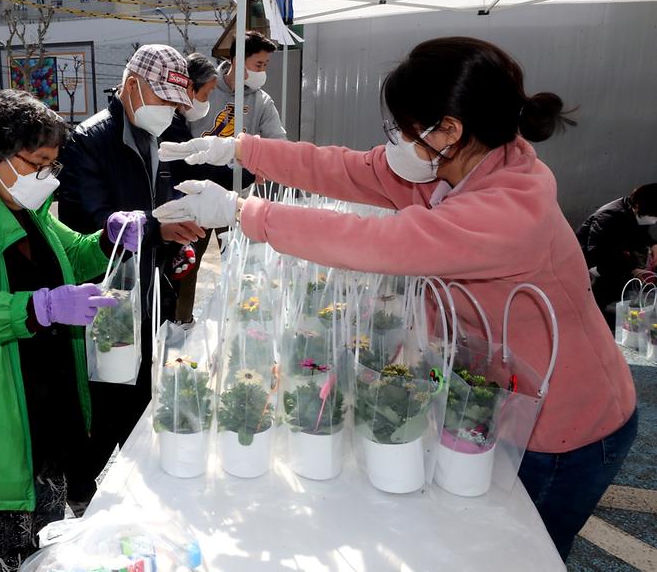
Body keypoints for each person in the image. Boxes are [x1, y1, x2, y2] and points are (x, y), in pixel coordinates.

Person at [156, 36, 638, 561]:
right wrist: (239, 149)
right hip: (499, 401)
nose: (396, 143)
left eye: (405, 128)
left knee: (519, 554)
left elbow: (379, 243)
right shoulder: (452, 165)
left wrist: (246, 214)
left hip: (563, 425)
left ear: (448, 129)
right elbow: (341, 169)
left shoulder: (512, 205)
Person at [0, 89, 139, 571]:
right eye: (37, 162)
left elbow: (73, 253)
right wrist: (39, 308)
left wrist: (106, 240)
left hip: (42, 411)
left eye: (52, 165)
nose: (46, 176)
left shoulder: (25, 209)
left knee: (43, 545)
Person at [57, 44, 205, 507]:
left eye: (174, 102)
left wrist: (176, 237)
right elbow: (92, 221)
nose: (169, 111)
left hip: (149, 284)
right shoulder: (89, 140)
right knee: (106, 398)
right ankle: (85, 493)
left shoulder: (164, 132)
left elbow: (168, 197)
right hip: (105, 293)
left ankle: (136, 485)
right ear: (131, 86)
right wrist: (155, 226)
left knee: (143, 389)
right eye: (161, 99)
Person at [163, 52, 254, 323]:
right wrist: (246, 171)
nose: (206, 101)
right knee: (184, 269)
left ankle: (182, 322)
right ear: (190, 86)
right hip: (184, 207)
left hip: (197, 202)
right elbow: (196, 169)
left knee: (195, 266)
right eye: (206, 94)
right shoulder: (171, 124)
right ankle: (177, 324)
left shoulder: (178, 122)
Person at [576, 184, 657, 326]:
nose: (655, 220)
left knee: (625, 283)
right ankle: (590, 319)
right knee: (608, 285)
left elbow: (641, 234)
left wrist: (653, 244)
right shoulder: (609, 216)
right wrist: (632, 269)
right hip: (588, 261)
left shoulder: (636, 213)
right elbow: (598, 251)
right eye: (655, 216)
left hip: (613, 256)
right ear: (641, 206)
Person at [188, 30, 286, 142]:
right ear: (237, 61)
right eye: (258, 65)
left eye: (265, 64)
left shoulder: (262, 101)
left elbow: (278, 141)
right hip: (197, 158)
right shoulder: (204, 86)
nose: (262, 70)